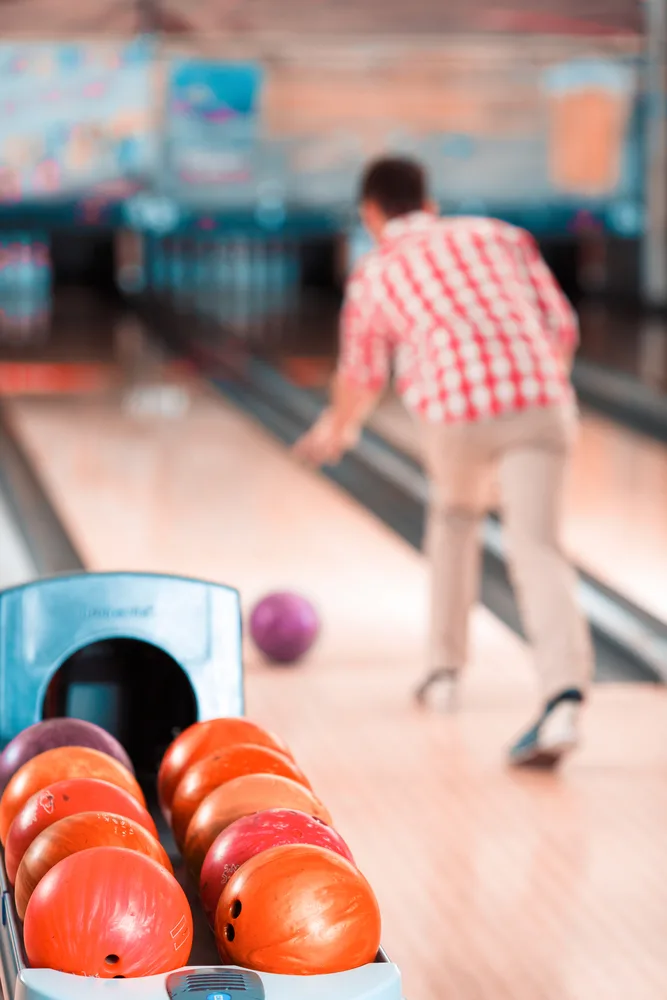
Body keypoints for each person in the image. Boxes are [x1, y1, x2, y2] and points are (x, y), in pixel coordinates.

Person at [294, 156, 593, 767]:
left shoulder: (375, 270)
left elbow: (361, 374)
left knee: (456, 517)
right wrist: (531, 391)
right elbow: (562, 327)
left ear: (370, 214)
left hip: (456, 415)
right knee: (538, 547)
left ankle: (445, 674)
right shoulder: (500, 234)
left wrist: (338, 429)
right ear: (430, 203)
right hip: (542, 401)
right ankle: (563, 700)